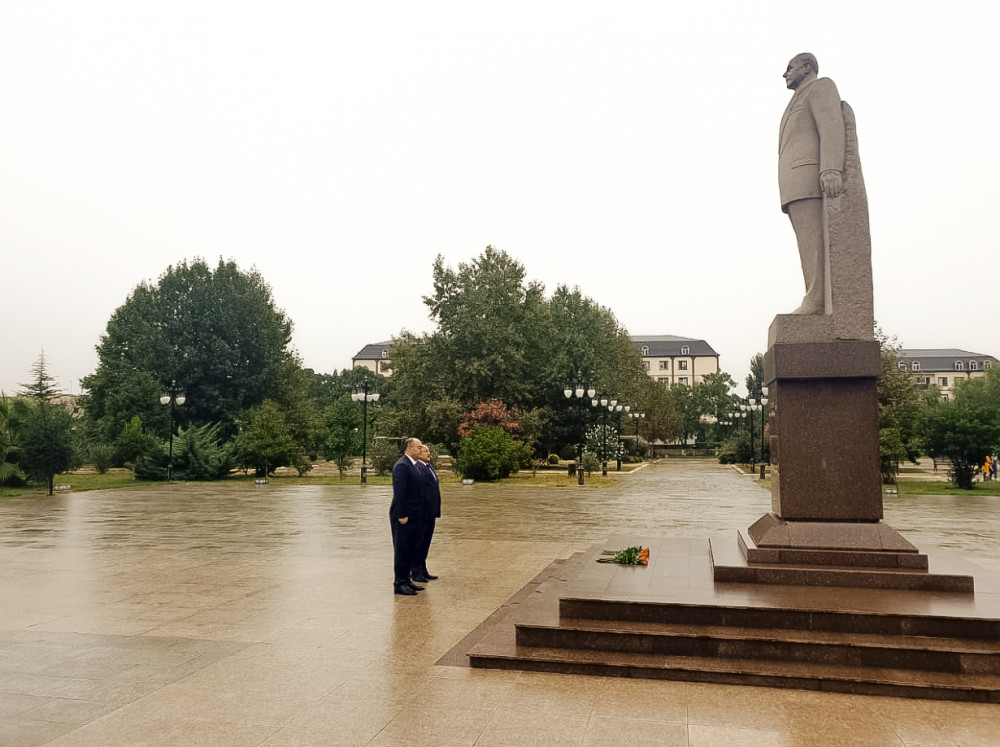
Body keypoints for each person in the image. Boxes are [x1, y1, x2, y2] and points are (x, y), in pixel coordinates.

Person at [778, 52, 845, 315]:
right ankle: (813, 295)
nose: (785, 74)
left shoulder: (820, 87)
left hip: (809, 176)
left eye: (790, 67)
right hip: (794, 184)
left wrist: (830, 168)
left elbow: (831, 126)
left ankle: (815, 299)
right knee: (807, 244)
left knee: (814, 242)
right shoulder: (796, 99)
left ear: (807, 67)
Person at [390, 438, 426, 596]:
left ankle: (407, 580)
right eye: (418, 447)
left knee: (411, 549)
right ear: (409, 448)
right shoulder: (403, 465)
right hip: (404, 516)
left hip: (414, 515)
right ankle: (400, 583)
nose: (421, 450)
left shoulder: (414, 465)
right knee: (402, 549)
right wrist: (402, 514)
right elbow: (400, 492)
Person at [411, 443, 441, 583]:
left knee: (426, 542)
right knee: (419, 543)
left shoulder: (429, 467)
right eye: (425, 451)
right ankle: (416, 572)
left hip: (431, 512)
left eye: (429, 451)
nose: (429, 453)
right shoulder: (419, 468)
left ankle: (423, 569)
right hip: (422, 513)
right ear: (419, 453)